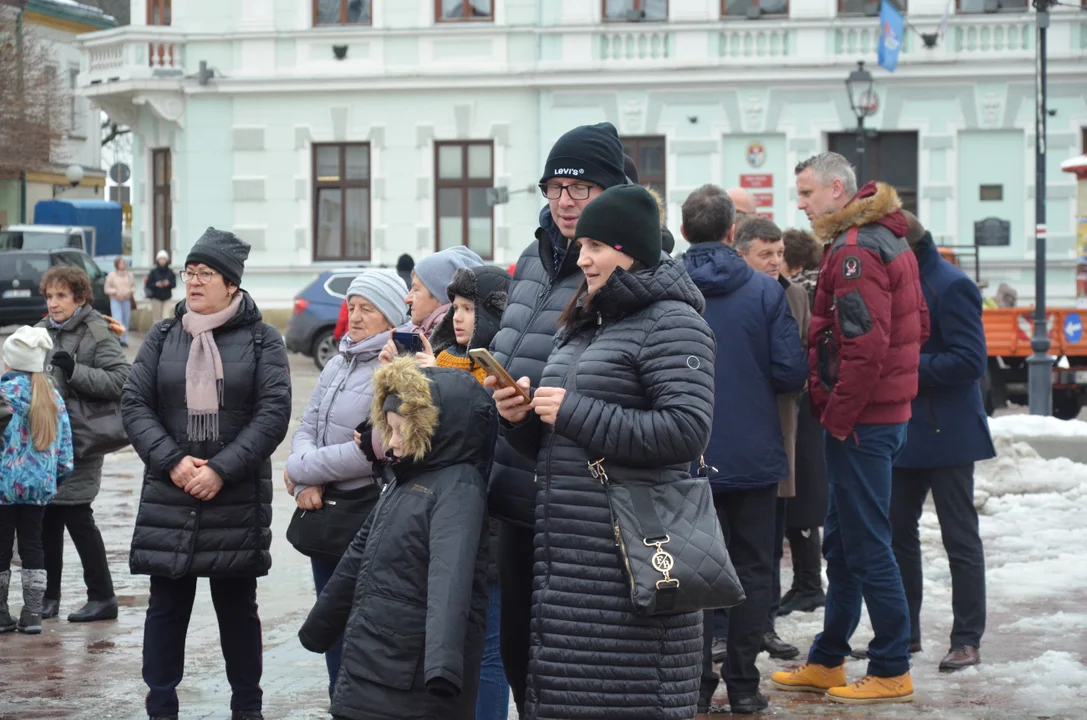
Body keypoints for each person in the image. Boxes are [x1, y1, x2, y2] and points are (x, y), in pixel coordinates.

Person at [493, 184, 715, 720]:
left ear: (630, 249)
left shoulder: (674, 320)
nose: (583, 257)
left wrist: (571, 412)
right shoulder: (586, 319)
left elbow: (687, 430)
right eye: (581, 245)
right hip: (570, 560)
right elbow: (560, 441)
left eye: (595, 246)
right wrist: (521, 419)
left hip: (631, 559)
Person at [772, 153, 928, 705]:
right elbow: (917, 323)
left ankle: (890, 664)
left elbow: (865, 347)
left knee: (866, 546)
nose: (802, 204)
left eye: (809, 193)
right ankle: (828, 658)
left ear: (838, 190)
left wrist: (837, 418)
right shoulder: (883, 237)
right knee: (844, 543)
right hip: (878, 416)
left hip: (862, 421)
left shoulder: (858, 248)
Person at [487, 122, 629, 715]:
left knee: (578, 665)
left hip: (578, 499)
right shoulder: (533, 256)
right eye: (554, 187)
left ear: (612, 193)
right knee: (518, 652)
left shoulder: (619, 264)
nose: (565, 201)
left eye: (581, 188)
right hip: (515, 487)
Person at [122, 227, 292, 720]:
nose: (193, 283)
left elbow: (273, 414)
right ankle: (161, 705)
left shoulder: (263, 340)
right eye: (189, 273)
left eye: (206, 274)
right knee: (166, 608)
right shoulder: (163, 335)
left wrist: (220, 469)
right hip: (169, 493)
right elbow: (134, 404)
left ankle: (247, 707)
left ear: (232, 285)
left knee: (237, 609)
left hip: (234, 496)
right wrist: (173, 461)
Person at [299, 358, 496, 720]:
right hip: (373, 658)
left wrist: (443, 666)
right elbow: (360, 553)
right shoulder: (404, 480)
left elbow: (449, 580)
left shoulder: (458, 489)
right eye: (388, 429)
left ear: (434, 431)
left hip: (416, 677)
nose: (392, 444)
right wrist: (321, 625)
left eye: (401, 431)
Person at [681, 186, 807, 715]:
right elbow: (790, 372)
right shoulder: (763, 290)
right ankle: (744, 684)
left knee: (690, 571)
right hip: (754, 453)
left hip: (685, 453)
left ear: (685, 232)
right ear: (733, 233)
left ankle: (696, 682)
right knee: (755, 568)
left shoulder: (669, 285)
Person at [286, 270, 411, 698]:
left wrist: (306, 471)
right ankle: (340, 700)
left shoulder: (397, 368)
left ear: (391, 317)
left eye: (367, 309)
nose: (354, 318)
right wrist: (304, 473)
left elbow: (373, 447)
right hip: (324, 516)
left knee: (368, 626)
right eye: (351, 307)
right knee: (330, 620)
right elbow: (308, 424)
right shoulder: (339, 361)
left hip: (366, 514)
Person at [891, 212, 993, 672]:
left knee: (959, 539)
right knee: (896, 535)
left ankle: (966, 639)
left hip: (948, 431)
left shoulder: (951, 284)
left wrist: (905, 368)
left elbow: (971, 361)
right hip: (903, 429)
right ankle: (904, 632)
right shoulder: (898, 280)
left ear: (907, 246)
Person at [424, 264, 512, 720]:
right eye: (455, 307)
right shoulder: (439, 359)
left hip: (490, 520)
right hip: (441, 519)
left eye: (469, 308)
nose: (458, 317)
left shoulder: (500, 370)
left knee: (489, 646)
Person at [733, 215, 810, 662]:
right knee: (737, 541)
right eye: (766, 254)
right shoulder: (733, 292)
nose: (776, 262)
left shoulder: (794, 294)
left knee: (772, 535)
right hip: (738, 427)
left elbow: (797, 358)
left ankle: (765, 624)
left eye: (780, 253)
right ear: (742, 253)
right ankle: (731, 628)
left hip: (780, 426)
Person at [36, 266, 129, 624]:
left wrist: (74, 371)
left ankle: (103, 597)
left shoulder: (96, 331)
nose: (54, 303)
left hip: (80, 438)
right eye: (49, 296)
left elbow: (122, 379)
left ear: (80, 297)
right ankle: (49, 597)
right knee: (47, 518)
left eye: (61, 296)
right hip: (44, 438)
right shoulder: (40, 331)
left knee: (75, 513)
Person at [0, 327, 73, 635]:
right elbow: (66, 449)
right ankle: (32, 614)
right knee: (33, 544)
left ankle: (1, 613)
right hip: (37, 485)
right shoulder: (51, 394)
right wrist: (53, 477)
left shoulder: (4, 392)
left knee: (1, 545)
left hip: (2, 486)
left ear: (10, 363)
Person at [778, 228, 828, 617]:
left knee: (804, 496)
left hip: (805, 408)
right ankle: (806, 581)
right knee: (801, 496)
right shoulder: (809, 289)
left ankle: (810, 582)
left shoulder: (800, 294)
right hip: (807, 407)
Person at [405, 247, 484, 338]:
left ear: (442, 296)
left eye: (416, 290)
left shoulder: (453, 345)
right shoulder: (420, 335)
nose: (407, 299)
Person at [105, 257, 137, 347]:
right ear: (117, 265)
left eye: (123, 263)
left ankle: (124, 340)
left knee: (126, 320)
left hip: (126, 300)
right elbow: (107, 288)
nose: (122, 265)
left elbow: (133, 286)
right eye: (120, 263)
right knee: (117, 319)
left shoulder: (129, 275)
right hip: (115, 300)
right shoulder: (111, 275)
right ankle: (117, 338)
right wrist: (115, 292)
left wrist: (130, 291)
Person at [145, 250, 177, 322]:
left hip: (167, 298)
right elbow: (148, 284)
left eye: (164, 259)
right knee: (157, 319)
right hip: (156, 298)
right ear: (157, 260)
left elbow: (174, 284)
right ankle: (157, 333)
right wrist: (156, 284)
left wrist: (168, 283)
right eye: (160, 259)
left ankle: (165, 333)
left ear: (167, 260)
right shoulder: (153, 272)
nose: (162, 261)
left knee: (166, 317)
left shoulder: (170, 272)